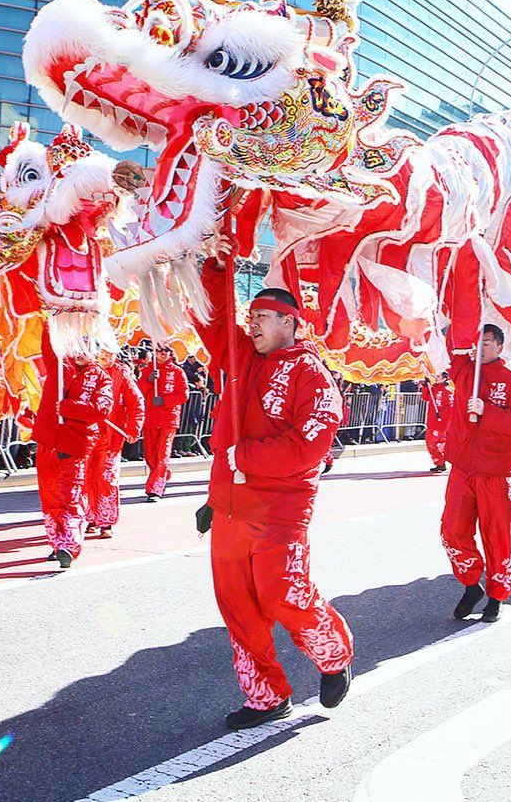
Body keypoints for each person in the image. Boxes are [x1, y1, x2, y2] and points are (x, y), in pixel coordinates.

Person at [193, 247, 353, 731]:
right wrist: (215, 266)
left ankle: (333, 655)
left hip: (280, 510)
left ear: (290, 322)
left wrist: (244, 459)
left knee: (283, 595)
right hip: (230, 509)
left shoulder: (312, 375)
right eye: (252, 315)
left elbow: (309, 448)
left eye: (263, 316)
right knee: (238, 607)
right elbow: (213, 321)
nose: (253, 323)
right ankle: (266, 695)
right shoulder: (242, 357)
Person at [442, 324, 511, 624]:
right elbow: (452, 338)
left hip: (495, 473)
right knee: (452, 530)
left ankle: (496, 596)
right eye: (477, 343)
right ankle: (471, 584)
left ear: (499, 347)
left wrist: (487, 411)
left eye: (487, 343)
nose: (479, 348)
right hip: (462, 468)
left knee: (497, 536)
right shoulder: (464, 371)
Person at [32, 336, 114, 569]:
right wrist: (53, 313)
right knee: (49, 496)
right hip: (48, 441)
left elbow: (101, 410)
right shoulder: (59, 365)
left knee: (70, 496)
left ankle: (69, 545)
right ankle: (56, 543)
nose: (80, 353)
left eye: (87, 349)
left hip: (76, 445)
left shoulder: (101, 378)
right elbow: (49, 339)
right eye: (77, 347)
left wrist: (68, 408)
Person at [85, 350, 145, 538]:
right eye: (100, 352)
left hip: (111, 437)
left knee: (107, 478)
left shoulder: (121, 373)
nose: (103, 356)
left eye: (108, 352)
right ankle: (90, 517)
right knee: (87, 478)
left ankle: (106, 521)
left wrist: (133, 428)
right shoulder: (85, 371)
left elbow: (136, 402)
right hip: (86, 436)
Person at [137, 341, 189, 501]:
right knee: (150, 455)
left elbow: (184, 395)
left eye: (166, 350)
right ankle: (162, 474)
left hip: (168, 420)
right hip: (151, 419)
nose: (163, 353)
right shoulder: (148, 370)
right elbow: (138, 391)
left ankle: (154, 489)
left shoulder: (178, 372)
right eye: (160, 350)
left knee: (162, 454)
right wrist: (148, 380)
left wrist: (165, 401)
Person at [422, 373, 453, 473]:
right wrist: (425, 386)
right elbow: (425, 398)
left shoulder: (448, 391)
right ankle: (441, 462)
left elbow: (451, 407)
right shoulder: (434, 388)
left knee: (434, 442)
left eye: (439, 376)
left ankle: (444, 460)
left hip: (440, 422)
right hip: (432, 421)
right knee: (433, 442)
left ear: (444, 378)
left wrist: (441, 415)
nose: (436, 378)